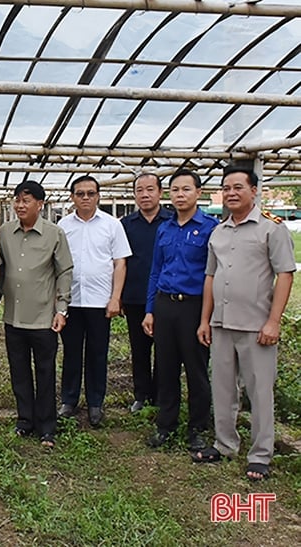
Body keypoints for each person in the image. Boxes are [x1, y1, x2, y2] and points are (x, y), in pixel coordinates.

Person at [194, 166, 295, 481]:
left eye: (238, 187)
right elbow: (210, 277)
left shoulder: (271, 229)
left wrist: (273, 321)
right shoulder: (219, 231)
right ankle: (224, 445)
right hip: (222, 323)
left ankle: (261, 455)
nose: (231, 193)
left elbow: (285, 275)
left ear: (254, 191)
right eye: (226, 188)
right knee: (222, 388)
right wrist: (205, 320)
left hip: (256, 325)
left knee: (259, 391)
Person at [0, 181, 73, 448]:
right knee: (19, 371)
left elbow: (65, 272)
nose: (20, 205)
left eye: (27, 200)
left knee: (45, 372)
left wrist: (62, 309)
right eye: (17, 200)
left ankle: (47, 426)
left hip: (43, 317)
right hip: (14, 316)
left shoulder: (54, 233)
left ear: (40, 204)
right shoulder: (4, 232)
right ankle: (25, 420)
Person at [142, 169, 218, 451]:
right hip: (165, 305)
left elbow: (214, 275)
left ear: (198, 193)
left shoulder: (211, 228)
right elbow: (155, 271)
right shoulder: (166, 228)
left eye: (186, 189)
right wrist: (150, 310)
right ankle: (166, 424)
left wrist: (205, 319)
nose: (180, 195)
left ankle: (197, 428)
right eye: (175, 190)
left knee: (196, 370)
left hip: (194, 306)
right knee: (166, 367)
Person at [58, 175, 131, 427]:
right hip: (71, 300)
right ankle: (68, 400)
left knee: (98, 354)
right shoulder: (63, 226)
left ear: (98, 196)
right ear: (72, 197)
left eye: (91, 193)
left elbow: (120, 262)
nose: (86, 198)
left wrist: (115, 298)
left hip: (101, 302)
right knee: (71, 352)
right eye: (80, 193)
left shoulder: (112, 225)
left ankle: (95, 403)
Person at [120, 173, 173, 413]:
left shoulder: (172, 222)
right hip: (134, 296)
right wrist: (118, 295)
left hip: (165, 297)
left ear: (160, 193)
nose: (145, 195)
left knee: (164, 349)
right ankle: (141, 395)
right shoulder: (125, 225)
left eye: (150, 189)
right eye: (139, 190)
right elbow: (120, 262)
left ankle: (161, 397)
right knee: (139, 349)